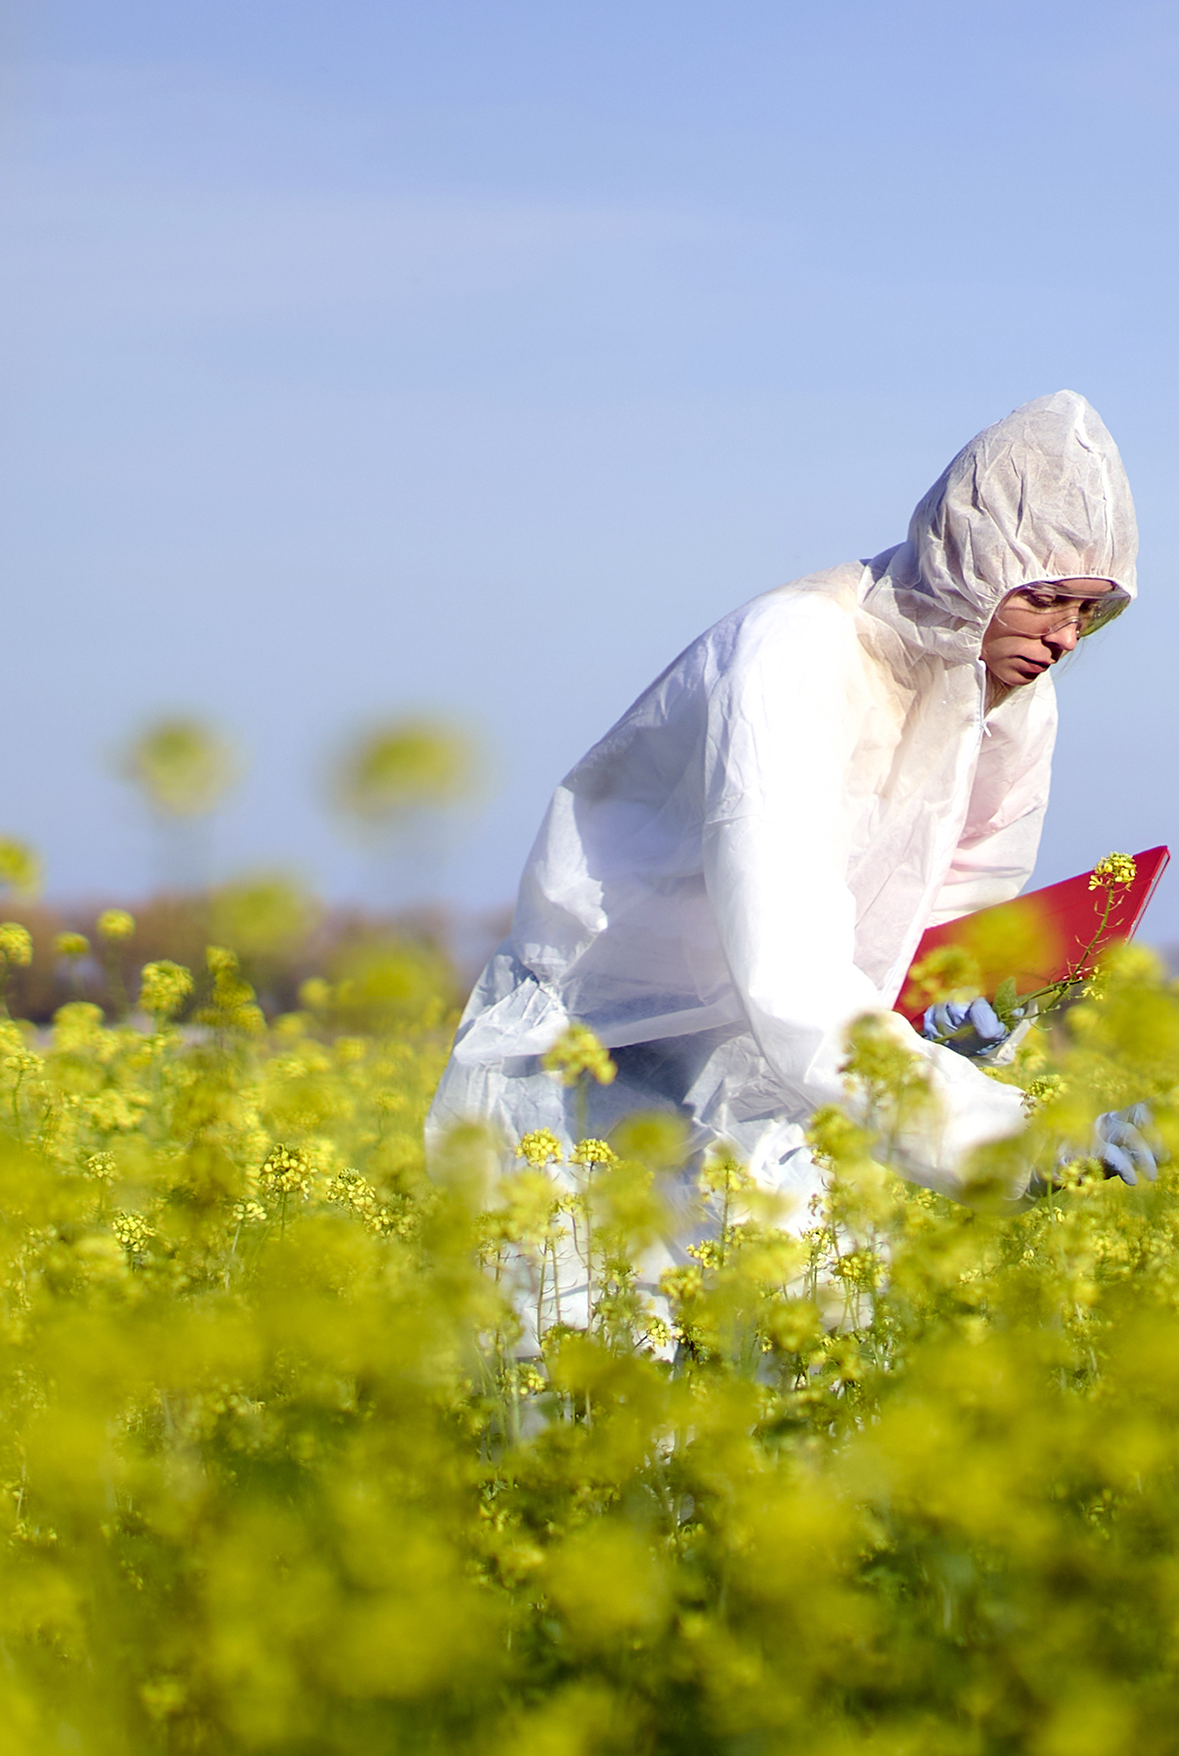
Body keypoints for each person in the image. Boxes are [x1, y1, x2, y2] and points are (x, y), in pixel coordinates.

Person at [429, 391, 1142, 1266]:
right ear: (976, 558)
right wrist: (1020, 1141)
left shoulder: (1010, 698)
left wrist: (963, 1007)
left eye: (1090, 614)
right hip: (607, 1065)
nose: (1065, 637)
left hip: (795, 1082)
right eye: (1047, 600)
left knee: (802, 1372)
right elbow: (788, 963)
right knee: (596, 1363)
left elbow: (967, 887)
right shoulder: (796, 648)